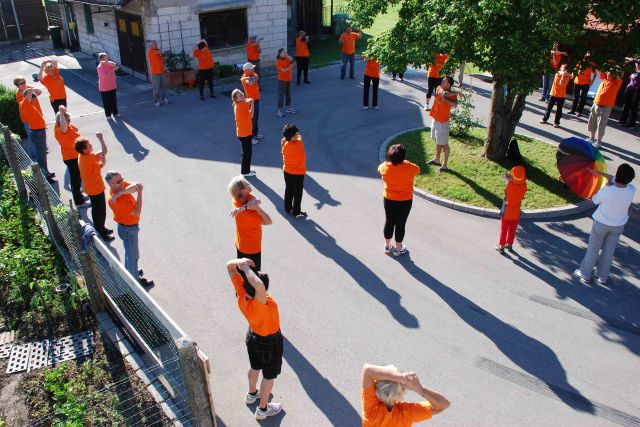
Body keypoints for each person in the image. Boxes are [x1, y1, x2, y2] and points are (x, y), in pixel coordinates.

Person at [225, 258, 283, 420]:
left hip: (253, 338)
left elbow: (229, 268)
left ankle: (252, 393)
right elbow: (259, 285)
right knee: (269, 377)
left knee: (255, 367)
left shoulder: (241, 294)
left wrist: (239, 262)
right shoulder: (260, 303)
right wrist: (246, 269)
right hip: (270, 343)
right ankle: (263, 409)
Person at [574, 164, 635, 285]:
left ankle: (585, 274)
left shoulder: (607, 190)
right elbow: (615, 179)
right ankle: (602, 276)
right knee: (609, 250)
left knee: (593, 249)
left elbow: (595, 199)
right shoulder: (632, 189)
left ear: (617, 175)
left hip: (601, 223)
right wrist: (601, 174)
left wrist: (604, 183)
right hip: (618, 225)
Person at [105, 171, 154, 287]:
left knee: (130, 253)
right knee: (133, 256)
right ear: (111, 184)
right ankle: (135, 282)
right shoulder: (117, 201)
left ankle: (131, 271)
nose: (122, 182)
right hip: (129, 230)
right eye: (119, 182)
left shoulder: (118, 188)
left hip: (126, 228)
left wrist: (121, 192)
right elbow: (137, 211)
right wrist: (140, 194)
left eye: (122, 179)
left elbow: (136, 186)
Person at [361, 363, 450, 426]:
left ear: (377, 387)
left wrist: (400, 378)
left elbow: (367, 370)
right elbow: (443, 405)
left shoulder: (371, 409)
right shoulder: (407, 413)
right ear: (402, 390)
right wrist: (419, 388)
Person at [378, 144, 420, 256]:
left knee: (389, 221)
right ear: (403, 157)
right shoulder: (409, 167)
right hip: (405, 201)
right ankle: (398, 249)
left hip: (389, 199)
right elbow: (418, 169)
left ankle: (387, 246)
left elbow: (380, 170)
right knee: (400, 224)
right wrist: (405, 162)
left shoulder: (385, 167)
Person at [228, 176, 273, 270]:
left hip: (240, 243)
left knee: (242, 271)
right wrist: (256, 208)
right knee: (254, 277)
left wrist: (244, 207)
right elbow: (268, 221)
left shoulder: (238, 199)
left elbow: (257, 200)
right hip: (251, 250)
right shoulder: (249, 215)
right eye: (247, 184)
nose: (249, 184)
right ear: (243, 190)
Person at [76, 133, 114, 242]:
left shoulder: (84, 156)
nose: (91, 145)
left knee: (98, 210)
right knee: (100, 211)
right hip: (95, 189)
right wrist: (101, 138)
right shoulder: (88, 158)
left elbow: (99, 164)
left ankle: (101, 228)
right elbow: (104, 152)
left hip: (94, 188)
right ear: (84, 150)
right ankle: (101, 233)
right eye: (89, 145)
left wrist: (102, 161)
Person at [426, 76, 465, 172]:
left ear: (449, 84)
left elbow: (455, 105)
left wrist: (446, 100)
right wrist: (457, 92)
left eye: (444, 81)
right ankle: (437, 159)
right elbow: (444, 93)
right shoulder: (440, 88)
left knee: (444, 144)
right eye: (443, 80)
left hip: (443, 122)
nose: (442, 82)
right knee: (438, 140)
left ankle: (445, 165)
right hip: (436, 119)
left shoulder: (452, 95)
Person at [54, 106, 89, 208]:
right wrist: (61, 112)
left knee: (78, 178)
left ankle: (80, 196)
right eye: (68, 119)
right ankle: (79, 202)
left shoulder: (67, 127)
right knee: (75, 179)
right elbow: (64, 125)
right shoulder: (61, 129)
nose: (69, 121)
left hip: (75, 156)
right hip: (71, 158)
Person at [18, 88, 55, 182]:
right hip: (37, 132)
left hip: (39, 131)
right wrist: (32, 90)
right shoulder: (25, 104)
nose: (35, 100)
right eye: (33, 98)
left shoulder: (28, 104)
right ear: (28, 98)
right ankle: (44, 176)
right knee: (41, 156)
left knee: (42, 155)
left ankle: (46, 171)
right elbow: (29, 92)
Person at [495, 166, 527, 253]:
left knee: (504, 229)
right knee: (512, 230)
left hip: (506, 212)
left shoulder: (509, 184)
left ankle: (501, 246)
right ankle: (509, 245)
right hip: (516, 213)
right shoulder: (524, 187)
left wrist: (506, 175)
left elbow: (504, 177)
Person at [588, 70, 623, 148]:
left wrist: (618, 68)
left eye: (610, 74)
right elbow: (600, 69)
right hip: (596, 104)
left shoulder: (616, 83)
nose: (608, 75)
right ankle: (592, 138)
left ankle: (599, 142)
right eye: (608, 73)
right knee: (592, 121)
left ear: (614, 76)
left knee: (601, 125)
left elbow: (621, 76)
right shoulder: (604, 78)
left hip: (606, 107)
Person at [281, 123, 307, 218]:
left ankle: (287, 208)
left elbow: (285, 140)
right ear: (292, 137)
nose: (297, 135)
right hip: (298, 174)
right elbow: (300, 138)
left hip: (287, 171)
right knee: (298, 193)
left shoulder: (284, 144)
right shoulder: (298, 144)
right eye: (296, 134)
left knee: (289, 190)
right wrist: (298, 136)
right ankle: (296, 212)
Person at [232, 89, 257, 177]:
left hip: (244, 132)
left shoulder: (240, 104)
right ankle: (245, 172)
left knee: (246, 153)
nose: (242, 95)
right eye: (240, 95)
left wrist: (252, 104)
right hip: (244, 133)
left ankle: (247, 169)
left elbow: (251, 115)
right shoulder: (241, 105)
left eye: (242, 93)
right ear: (236, 99)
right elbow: (249, 100)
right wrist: (251, 100)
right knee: (247, 153)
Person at [14, 76, 41, 158]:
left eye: (24, 82)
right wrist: (31, 91)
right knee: (32, 137)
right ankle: (35, 155)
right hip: (28, 119)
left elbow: (39, 91)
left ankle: (41, 150)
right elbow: (27, 101)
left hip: (37, 115)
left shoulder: (29, 88)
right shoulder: (19, 94)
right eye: (21, 83)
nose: (24, 84)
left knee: (40, 134)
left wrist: (34, 90)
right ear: (17, 86)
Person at [540, 64, 572, 128]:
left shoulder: (567, 77)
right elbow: (561, 73)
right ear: (560, 68)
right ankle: (544, 119)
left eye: (565, 68)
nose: (564, 69)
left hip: (561, 95)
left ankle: (556, 122)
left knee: (559, 109)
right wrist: (565, 74)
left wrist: (565, 75)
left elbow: (562, 83)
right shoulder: (557, 73)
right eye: (563, 67)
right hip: (553, 93)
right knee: (549, 108)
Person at [568, 52, 596, 117]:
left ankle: (579, 111)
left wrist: (592, 81)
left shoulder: (592, 64)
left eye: (588, 56)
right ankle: (572, 110)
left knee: (583, 98)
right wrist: (573, 74)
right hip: (577, 81)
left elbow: (595, 74)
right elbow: (576, 69)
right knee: (575, 97)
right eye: (586, 55)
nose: (586, 57)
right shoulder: (580, 61)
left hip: (586, 83)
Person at [240, 63, 263, 141]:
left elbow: (256, 78)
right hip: (250, 101)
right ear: (247, 70)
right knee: (252, 118)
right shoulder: (244, 77)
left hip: (256, 99)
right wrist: (249, 79)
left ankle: (255, 134)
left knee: (256, 117)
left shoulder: (253, 74)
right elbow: (250, 83)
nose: (253, 69)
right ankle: (251, 137)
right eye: (251, 68)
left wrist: (251, 78)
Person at [96, 53, 120, 118]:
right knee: (106, 102)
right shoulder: (99, 67)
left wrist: (107, 63)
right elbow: (105, 76)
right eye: (105, 57)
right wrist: (113, 70)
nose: (107, 58)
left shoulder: (109, 63)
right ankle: (108, 115)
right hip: (104, 88)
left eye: (107, 57)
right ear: (101, 59)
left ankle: (115, 113)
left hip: (112, 85)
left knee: (113, 100)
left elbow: (115, 65)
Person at [275, 48, 296, 118]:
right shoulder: (278, 62)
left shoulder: (287, 59)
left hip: (288, 80)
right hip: (282, 81)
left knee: (288, 95)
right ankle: (279, 111)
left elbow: (294, 63)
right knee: (281, 96)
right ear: (279, 54)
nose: (285, 54)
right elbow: (284, 70)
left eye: (285, 52)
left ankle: (289, 109)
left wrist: (288, 56)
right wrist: (291, 66)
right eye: (283, 53)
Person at [147, 40, 169, 107]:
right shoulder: (151, 52)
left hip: (162, 72)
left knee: (164, 86)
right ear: (151, 46)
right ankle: (156, 101)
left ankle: (163, 98)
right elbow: (157, 52)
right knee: (156, 88)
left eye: (156, 44)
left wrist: (162, 55)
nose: (156, 45)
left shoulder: (158, 53)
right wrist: (160, 52)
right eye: (155, 44)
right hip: (155, 73)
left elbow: (164, 62)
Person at [619, 58, 639, 129]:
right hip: (629, 90)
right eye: (636, 64)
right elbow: (630, 78)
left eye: (638, 64)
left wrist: (632, 59)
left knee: (633, 107)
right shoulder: (634, 71)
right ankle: (623, 121)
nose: (637, 65)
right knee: (626, 105)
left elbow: (637, 60)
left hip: (636, 91)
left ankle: (631, 124)